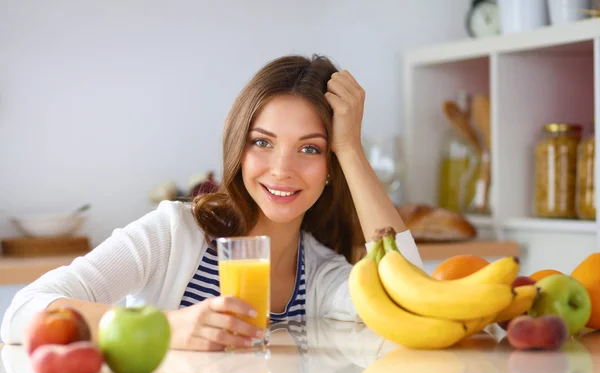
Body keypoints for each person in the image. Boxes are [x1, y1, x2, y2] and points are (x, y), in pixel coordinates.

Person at [0, 54, 423, 351]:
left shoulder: (320, 274)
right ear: (238, 147)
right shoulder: (173, 233)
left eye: (310, 149)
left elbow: (410, 302)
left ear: (331, 166)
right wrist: (170, 327)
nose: (281, 169)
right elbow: (23, 311)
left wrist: (351, 148)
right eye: (263, 142)